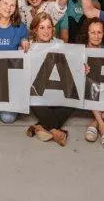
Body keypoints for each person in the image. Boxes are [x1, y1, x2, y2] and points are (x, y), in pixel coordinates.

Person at [25, 14, 72, 146]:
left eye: (49, 27)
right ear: (35, 30)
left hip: (56, 89)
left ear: (53, 29)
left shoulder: (60, 44)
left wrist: (81, 68)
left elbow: (70, 67)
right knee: (30, 95)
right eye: (41, 27)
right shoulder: (28, 46)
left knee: (73, 98)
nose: (46, 31)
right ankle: (55, 130)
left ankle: (40, 127)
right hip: (38, 92)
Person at [79, 17, 104, 151]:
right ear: (87, 33)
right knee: (88, 82)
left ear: (103, 33)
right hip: (87, 91)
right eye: (92, 32)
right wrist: (81, 69)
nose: (96, 36)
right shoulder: (80, 50)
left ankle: (95, 124)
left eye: (99, 32)